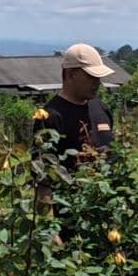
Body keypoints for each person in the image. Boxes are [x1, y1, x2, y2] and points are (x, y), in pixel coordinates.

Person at [33, 43, 116, 243]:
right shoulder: (50, 116)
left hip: (106, 219)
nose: (97, 82)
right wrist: (51, 230)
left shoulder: (101, 109)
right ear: (70, 74)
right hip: (70, 223)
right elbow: (42, 178)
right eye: (91, 77)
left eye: (98, 77)